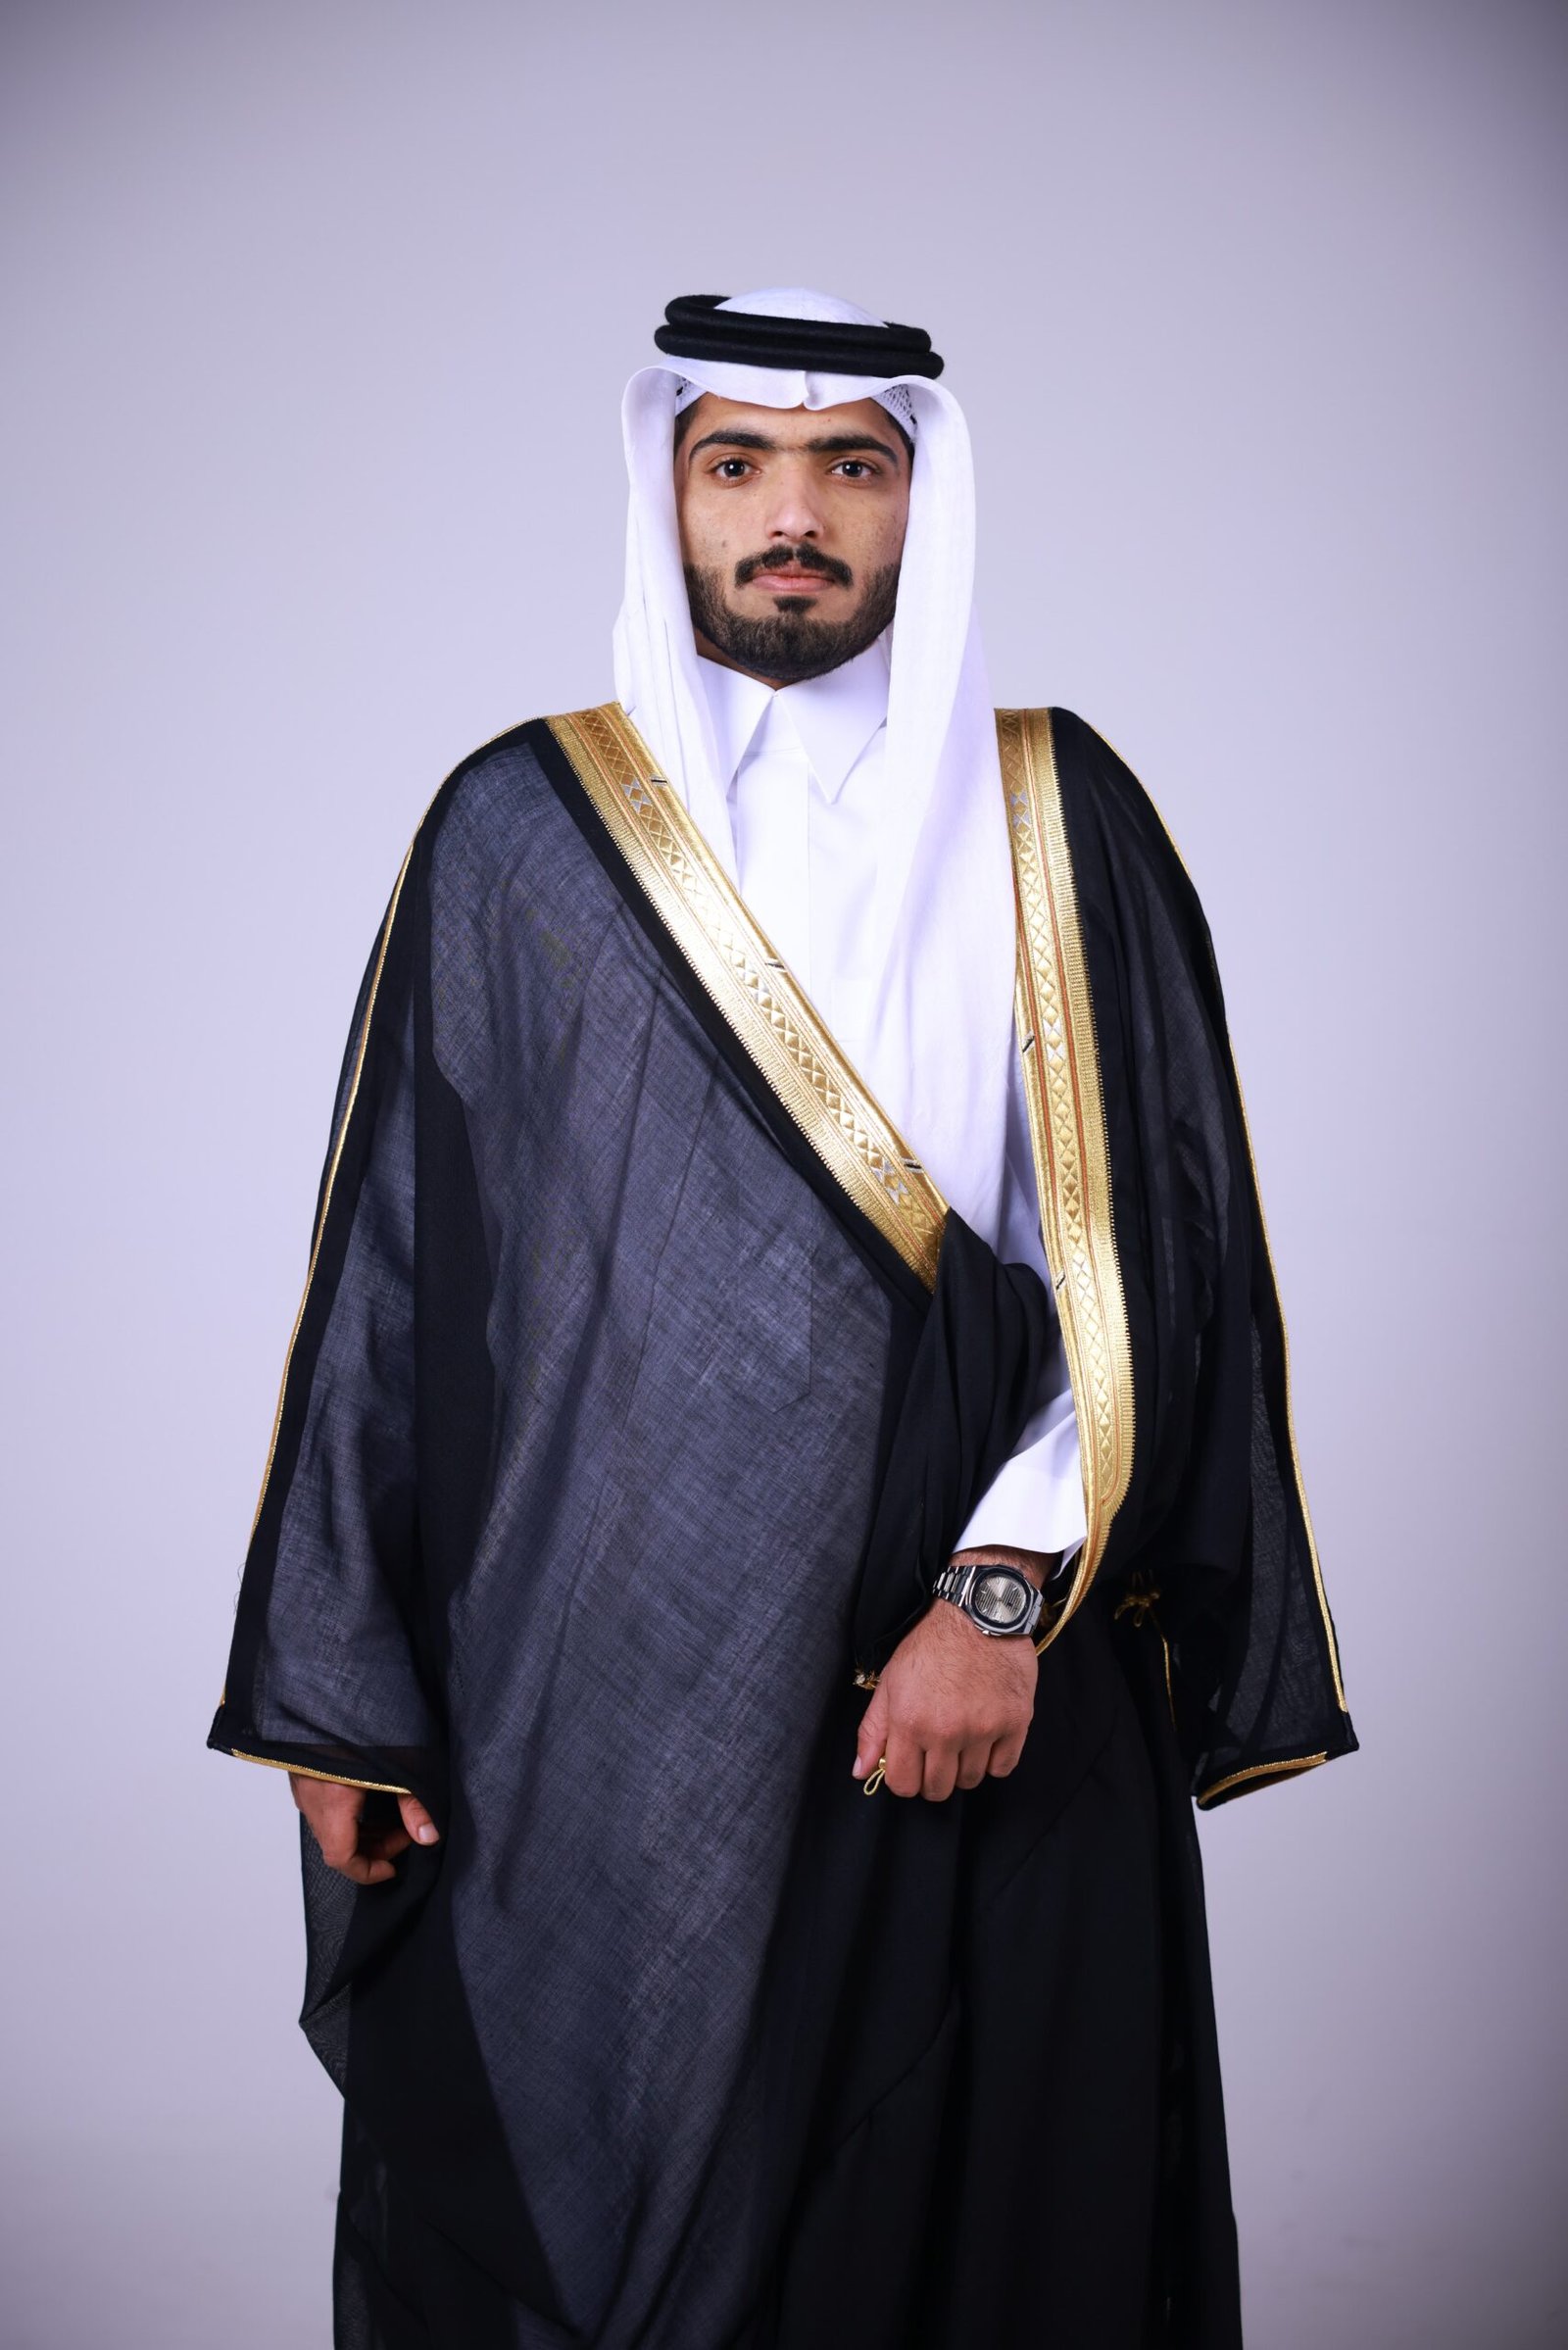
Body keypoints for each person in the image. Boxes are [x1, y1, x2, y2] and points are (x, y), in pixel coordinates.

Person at [211, 288, 1355, 2350]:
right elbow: (394, 1281)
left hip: (983, 1683)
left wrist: (995, 1599)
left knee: (991, 2245)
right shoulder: (522, 827)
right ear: (668, 490)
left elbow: (1150, 1264)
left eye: (850, 465)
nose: (792, 517)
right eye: (735, 463)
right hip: (606, 1701)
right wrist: (340, 1695)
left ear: (924, 497)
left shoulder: (1054, 816)